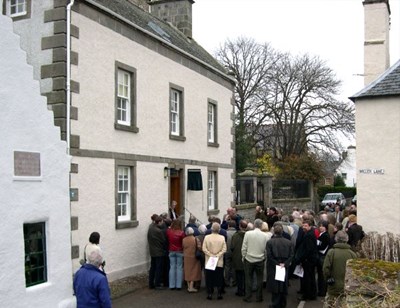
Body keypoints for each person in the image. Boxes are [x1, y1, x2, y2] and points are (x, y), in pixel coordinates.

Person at [323, 231, 357, 307]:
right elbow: (355, 272)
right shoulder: (352, 254)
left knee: (331, 304)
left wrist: (327, 279)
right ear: (347, 240)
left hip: (333, 285)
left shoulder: (331, 252)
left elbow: (325, 269)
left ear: (336, 239)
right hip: (347, 286)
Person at [241, 218, 269, 303]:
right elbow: (266, 249)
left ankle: (248, 296)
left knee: (248, 279)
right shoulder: (265, 236)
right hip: (260, 259)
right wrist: (264, 257)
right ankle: (259, 297)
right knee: (259, 279)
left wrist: (243, 257)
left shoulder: (248, 234)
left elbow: (244, 247)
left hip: (249, 259)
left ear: (254, 224)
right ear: (261, 225)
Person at [266, 224, 294, 308]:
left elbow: (269, 255)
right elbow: (292, 255)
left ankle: (275, 303)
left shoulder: (270, 242)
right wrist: (284, 264)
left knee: (275, 285)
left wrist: (277, 264)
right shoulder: (289, 242)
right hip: (284, 265)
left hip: (274, 266)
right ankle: (282, 303)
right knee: (283, 284)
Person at [294, 219, 318, 301]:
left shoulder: (308, 235)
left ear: (310, 226)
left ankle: (308, 295)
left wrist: (303, 258)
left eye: (306, 226)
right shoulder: (309, 233)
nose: (303, 227)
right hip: (310, 259)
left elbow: (308, 249)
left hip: (308, 260)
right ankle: (311, 294)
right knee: (310, 277)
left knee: (308, 278)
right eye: (303, 225)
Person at [202, 222, 227, 300]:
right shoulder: (222, 237)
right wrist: (217, 255)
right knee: (219, 277)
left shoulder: (207, 237)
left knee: (209, 277)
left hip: (209, 260)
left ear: (211, 229)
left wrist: (211, 255)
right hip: (219, 260)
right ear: (219, 229)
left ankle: (210, 293)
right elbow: (224, 249)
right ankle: (219, 293)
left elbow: (204, 248)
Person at [147, 215, 167, 290]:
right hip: (159, 251)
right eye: (162, 222)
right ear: (159, 222)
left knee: (152, 267)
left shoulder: (151, 227)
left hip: (152, 250)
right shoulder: (159, 231)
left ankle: (151, 283)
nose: (162, 223)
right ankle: (157, 284)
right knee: (158, 268)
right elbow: (163, 240)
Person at [166, 219, 185, 290]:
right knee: (179, 268)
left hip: (171, 250)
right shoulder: (181, 233)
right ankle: (178, 285)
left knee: (172, 267)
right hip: (179, 251)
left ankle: (172, 285)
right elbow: (183, 243)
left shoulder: (169, 232)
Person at [231, 220, 248, 297]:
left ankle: (240, 290)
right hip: (246, 257)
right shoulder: (249, 235)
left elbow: (232, 247)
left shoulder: (235, 236)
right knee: (246, 275)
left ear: (240, 226)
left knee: (238, 275)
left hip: (237, 257)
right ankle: (245, 290)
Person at [182, 227, 202, 293]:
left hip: (186, 257)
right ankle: (191, 287)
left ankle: (188, 286)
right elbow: (199, 247)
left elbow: (183, 247)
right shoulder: (195, 239)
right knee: (194, 271)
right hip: (194, 257)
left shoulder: (184, 239)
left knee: (187, 271)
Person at [316, 220, 330, 297]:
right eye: (320, 226)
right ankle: (321, 290)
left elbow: (322, 247)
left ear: (326, 227)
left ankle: (322, 291)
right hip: (321, 255)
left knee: (321, 275)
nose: (321, 227)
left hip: (322, 256)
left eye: (322, 226)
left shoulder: (325, 236)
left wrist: (316, 246)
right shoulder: (322, 234)